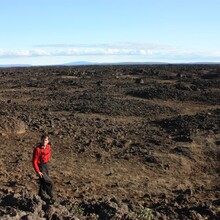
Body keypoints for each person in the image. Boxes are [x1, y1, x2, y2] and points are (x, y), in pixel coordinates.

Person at [32, 133, 54, 203]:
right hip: (40, 166)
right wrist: (38, 171)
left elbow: (48, 154)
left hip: (45, 165)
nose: (44, 141)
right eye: (43, 140)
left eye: (46, 140)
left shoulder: (48, 147)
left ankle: (40, 196)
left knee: (43, 182)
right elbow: (34, 161)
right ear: (41, 140)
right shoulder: (37, 149)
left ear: (48, 141)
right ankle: (51, 195)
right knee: (49, 182)